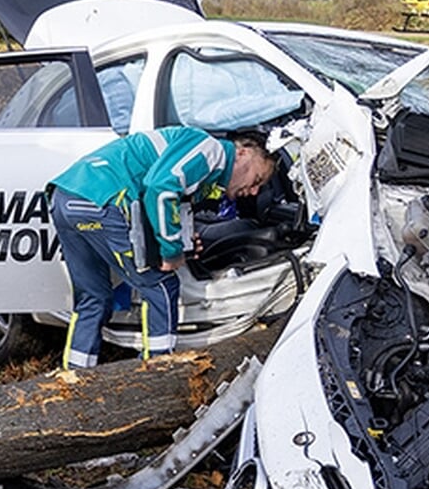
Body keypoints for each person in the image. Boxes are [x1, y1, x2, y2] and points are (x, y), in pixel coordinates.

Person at [47, 127, 277, 368]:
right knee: (162, 286)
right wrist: (171, 251)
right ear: (242, 152)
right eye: (257, 179)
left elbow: (167, 203)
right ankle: (157, 371)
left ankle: (74, 377)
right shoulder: (212, 150)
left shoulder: (204, 170)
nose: (253, 191)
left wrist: (181, 242)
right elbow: (161, 189)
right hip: (104, 199)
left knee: (94, 298)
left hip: (65, 197)